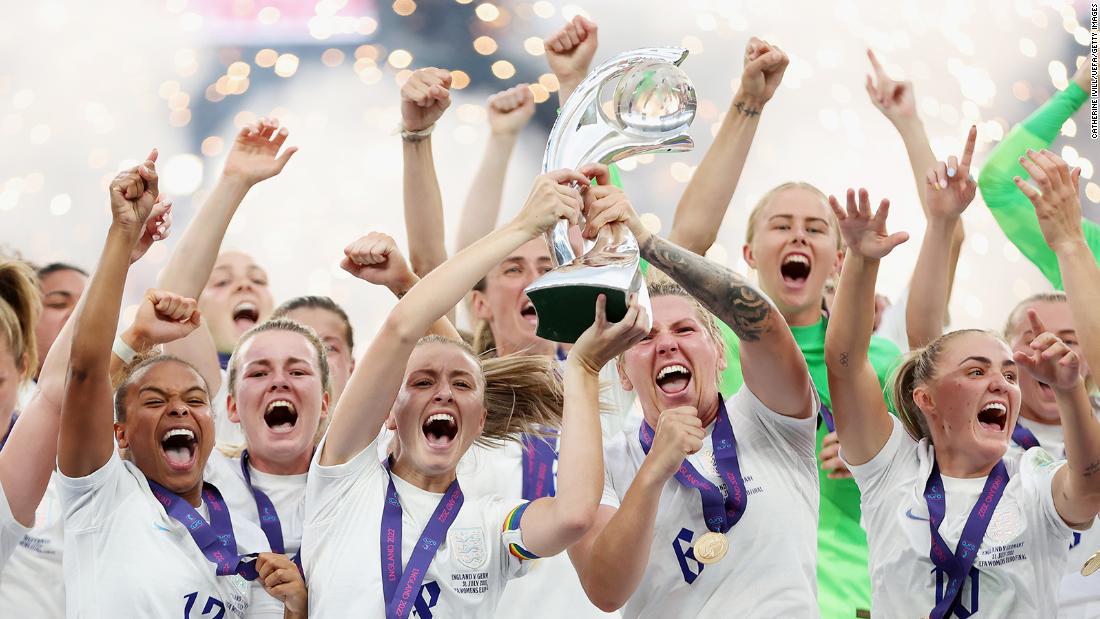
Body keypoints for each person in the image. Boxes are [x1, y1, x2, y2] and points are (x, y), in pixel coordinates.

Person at [302, 169, 648, 618]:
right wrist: (523, 225)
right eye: (422, 383)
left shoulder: (488, 523)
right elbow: (404, 330)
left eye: (462, 387)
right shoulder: (345, 483)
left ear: (483, 419)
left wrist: (582, 366)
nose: (443, 394)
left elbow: (572, 516)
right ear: (387, 411)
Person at [666, 37, 906, 617]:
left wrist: (881, 455)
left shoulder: (876, 359)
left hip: (852, 597)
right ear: (749, 252)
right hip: (732, 590)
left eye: (814, 228)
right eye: (781, 225)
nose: (798, 236)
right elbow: (682, 248)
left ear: (838, 257)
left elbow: (933, 469)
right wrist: (748, 105)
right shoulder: (710, 342)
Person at [825, 185, 1100, 617]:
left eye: (1010, 374)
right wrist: (860, 262)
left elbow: (1088, 488)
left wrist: (1070, 391)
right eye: (976, 371)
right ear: (926, 398)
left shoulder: (1033, 475)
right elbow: (844, 363)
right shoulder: (891, 469)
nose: (1001, 383)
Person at [56, 152, 304, 618]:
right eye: (154, 400)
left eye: (195, 399)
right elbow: (86, 368)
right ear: (120, 432)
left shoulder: (246, 538)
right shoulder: (103, 493)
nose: (180, 409)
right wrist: (122, 237)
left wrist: (296, 608)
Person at [568, 167, 818, 617]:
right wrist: (654, 471)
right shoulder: (603, 459)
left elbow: (762, 322)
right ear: (623, 374)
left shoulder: (772, 420)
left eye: (685, 329)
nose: (666, 343)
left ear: (720, 354)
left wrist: (649, 245)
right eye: (645, 338)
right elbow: (605, 590)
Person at [150, 118, 297, 446]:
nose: (245, 287)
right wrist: (234, 182)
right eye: (222, 281)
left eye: (257, 279)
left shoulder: (310, 391)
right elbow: (174, 294)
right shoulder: (202, 397)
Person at [978, 57, 1097, 289]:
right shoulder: (1088, 250)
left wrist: (1076, 94)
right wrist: (1077, 91)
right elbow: (997, 184)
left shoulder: (1084, 250)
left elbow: (996, 185)